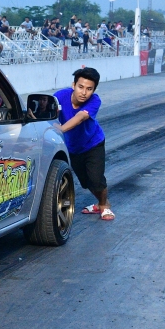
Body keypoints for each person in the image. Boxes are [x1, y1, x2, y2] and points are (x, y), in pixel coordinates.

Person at [54, 67, 114, 221]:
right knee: (86, 183)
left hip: (93, 144)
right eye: (80, 87)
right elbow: (46, 110)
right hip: (73, 148)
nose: (84, 92)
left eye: (89, 89)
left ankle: (104, 205)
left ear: (94, 90)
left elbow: (80, 117)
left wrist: (61, 129)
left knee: (96, 179)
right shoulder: (60, 96)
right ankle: (99, 203)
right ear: (73, 85)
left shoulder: (95, 100)